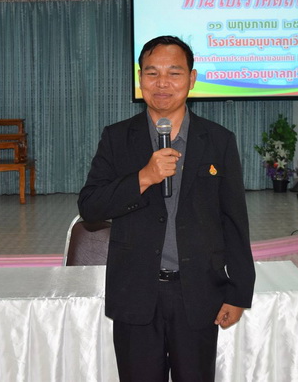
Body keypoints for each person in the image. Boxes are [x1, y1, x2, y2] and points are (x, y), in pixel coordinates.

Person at [78, 35, 255, 382]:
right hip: (135, 293)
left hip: (199, 294)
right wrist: (143, 177)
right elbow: (90, 208)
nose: (162, 83)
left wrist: (239, 293)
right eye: (152, 73)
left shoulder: (218, 140)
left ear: (191, 79)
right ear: (140, 78)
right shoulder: (117, 138)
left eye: (174, 73)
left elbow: (234, 220)